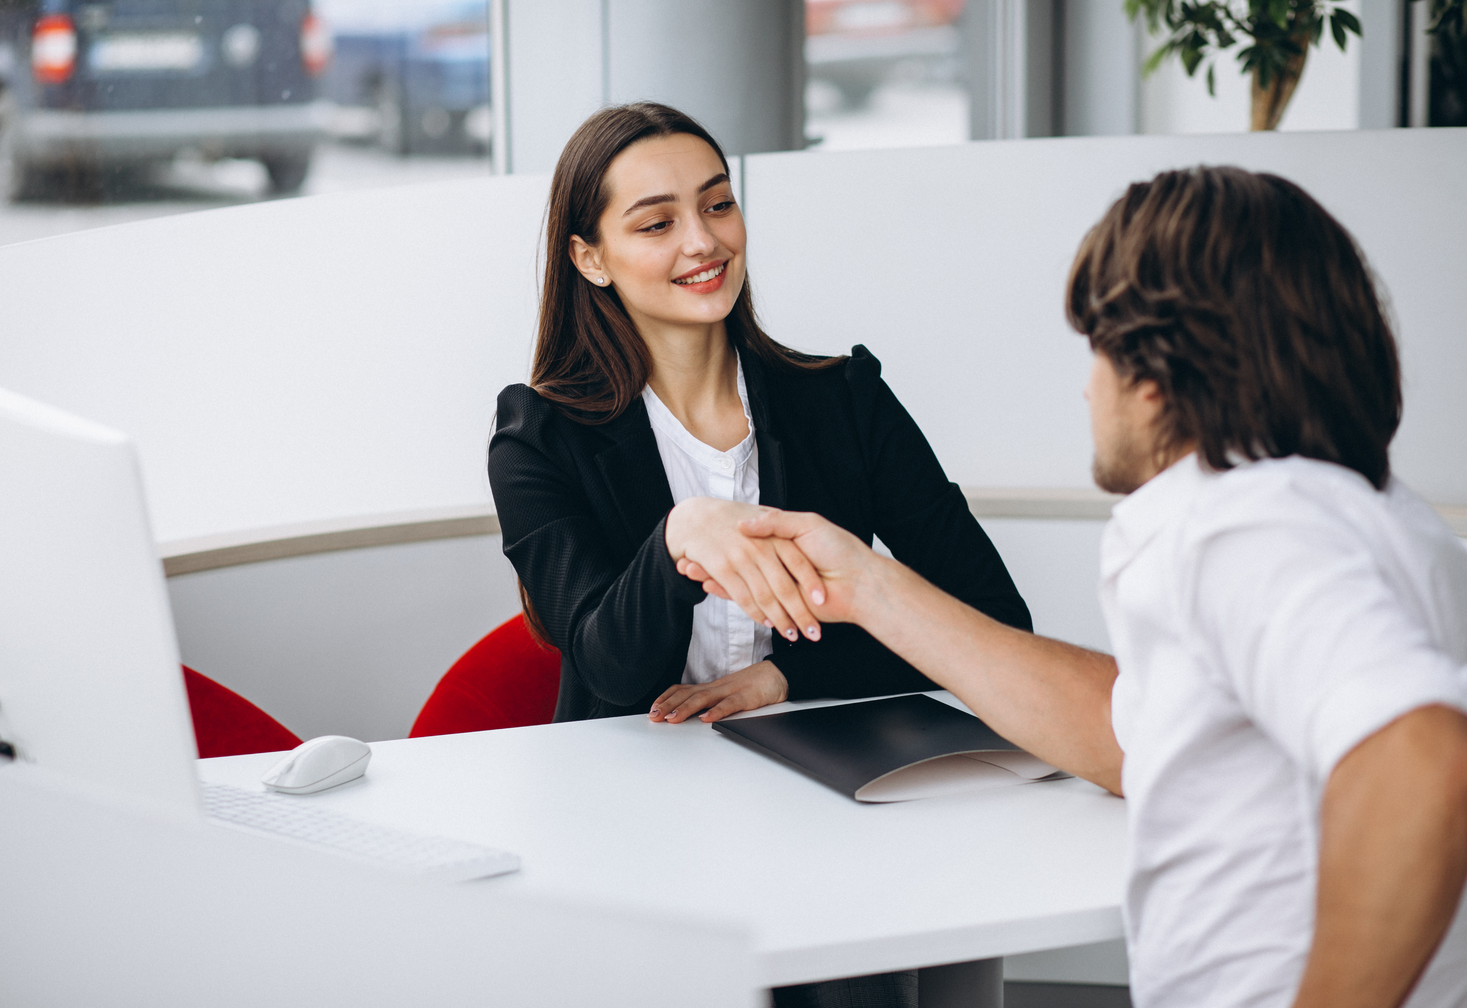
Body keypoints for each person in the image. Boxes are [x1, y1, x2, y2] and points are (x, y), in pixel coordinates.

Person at [680, 166, 1467, 1008]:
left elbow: (1423, 760)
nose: (1088, 386)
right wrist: (868, 586)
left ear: (1159, 372)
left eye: (1097, 349)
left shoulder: (1248, 527)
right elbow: (1129, 734)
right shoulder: (1371, 514)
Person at [487, 102, 1030, 1008]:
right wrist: (677, 540)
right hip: (640, 816)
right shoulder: (539, 437)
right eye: (656, 223)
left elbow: (991, 618)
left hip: (829, 787)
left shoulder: (846, 399)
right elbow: (610, 664)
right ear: (590, 257)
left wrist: (791, 680)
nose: (703, 242)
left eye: (719, 205)